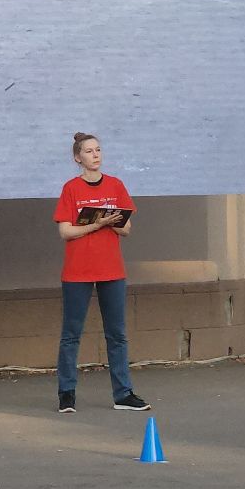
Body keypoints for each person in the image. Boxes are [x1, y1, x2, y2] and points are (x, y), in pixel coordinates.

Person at [52, 133, 148, 413]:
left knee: (117, 334)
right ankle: (66, 394)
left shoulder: (116, 185)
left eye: (98, 150)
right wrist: (97, 224)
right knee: (71, 334)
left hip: (111, 270)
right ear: (77, 157)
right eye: (89, 151)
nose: (95, 155)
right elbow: (65, 231)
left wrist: (110, 221)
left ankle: (123, 393)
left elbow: (126, 228)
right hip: (77, 271)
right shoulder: (71, 188)